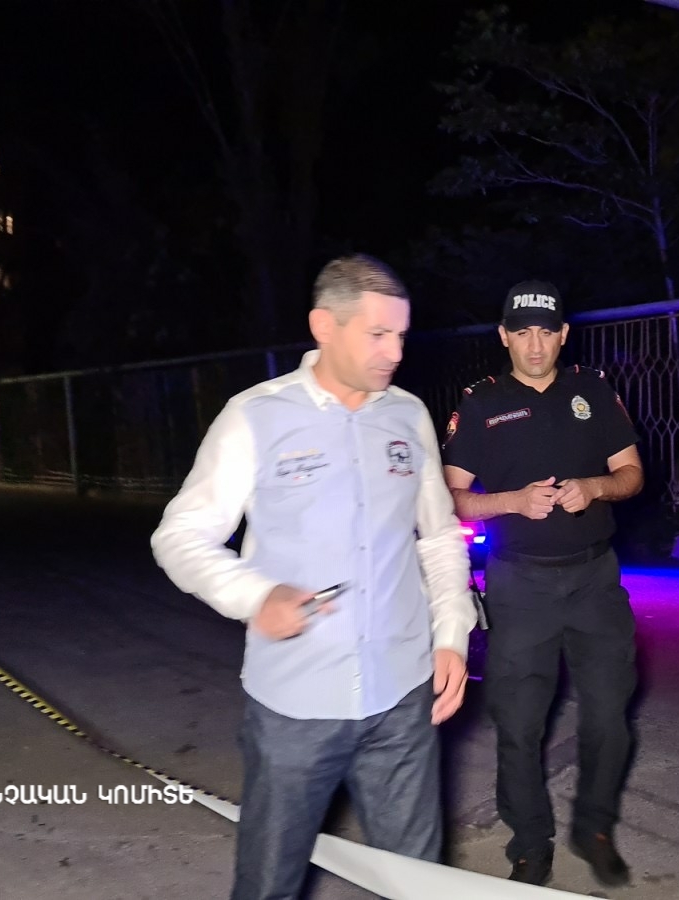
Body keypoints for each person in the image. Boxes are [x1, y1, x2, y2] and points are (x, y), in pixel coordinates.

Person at [150, 254, 476, 900]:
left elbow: (439, 536)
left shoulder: (408, 416)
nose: (395, 353)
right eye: (378, 334)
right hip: (295, 707)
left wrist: (452, 635)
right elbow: (180, 535)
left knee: (417, 883)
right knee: (269, 883)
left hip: (403, 699)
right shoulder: (254, 416)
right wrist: (255, 595)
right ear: (324, 326)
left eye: (401, 335)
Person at [442, 279, 644, 887]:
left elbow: (631, 473)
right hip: (519, 585)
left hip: (595, 581)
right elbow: (450, 497)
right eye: (523, 332)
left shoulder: (592, 391)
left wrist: (596, 487)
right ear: (504, 336)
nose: (535, 345)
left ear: (563, 335)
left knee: (609, 716)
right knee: (519, 725)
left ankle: (595, 828)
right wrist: (512, 501)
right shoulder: (481, 403)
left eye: (547, 332)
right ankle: (530, 843)